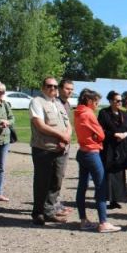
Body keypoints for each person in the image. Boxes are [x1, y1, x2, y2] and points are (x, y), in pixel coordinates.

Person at [73, 89, 121, 233]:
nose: (97, 105)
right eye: (96, 102)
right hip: (92, 153)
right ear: (89, 101)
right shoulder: (89, 114)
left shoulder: (78, 112)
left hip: (82, 151)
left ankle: (83, 220)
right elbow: (101, 135)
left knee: (82, 187)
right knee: (101, 186)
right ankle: (103, 222)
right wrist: (96, 136)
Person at [30, 77, 72, 225]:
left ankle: (49, 211)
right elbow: (40, 125)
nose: (52, 88)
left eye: (55, 86)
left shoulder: (59, 103)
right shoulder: (37, 102)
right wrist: (61, 136)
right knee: (42, 182)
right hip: (44, 149)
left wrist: (66, 137)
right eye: (49, 86)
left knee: (56, 181)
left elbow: (68, 124)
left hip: (61, 149)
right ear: (43, 87)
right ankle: (38, 213)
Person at [98, 91, 127, 210]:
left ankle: (116, 199)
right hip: (109, 147)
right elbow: (100, 130)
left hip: (121, 147)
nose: (119, 103)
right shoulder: (104, 113)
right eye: (117, 100)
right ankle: (106, 198)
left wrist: (125, 134)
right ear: (111, 101)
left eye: (121, 101)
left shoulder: (123, 114)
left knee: (119, 173)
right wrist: (114, 135)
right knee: (108, 173)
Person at [53, 78, 75, 216]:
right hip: (57, 144)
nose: (69, 92)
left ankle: (57, 202)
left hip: (66, 144)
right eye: (67, 89)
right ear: (60, 89)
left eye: (71, 89)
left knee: (60, 175)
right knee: (55, 175)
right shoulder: (55, 103)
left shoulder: (67, 104)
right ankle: (52, 205)